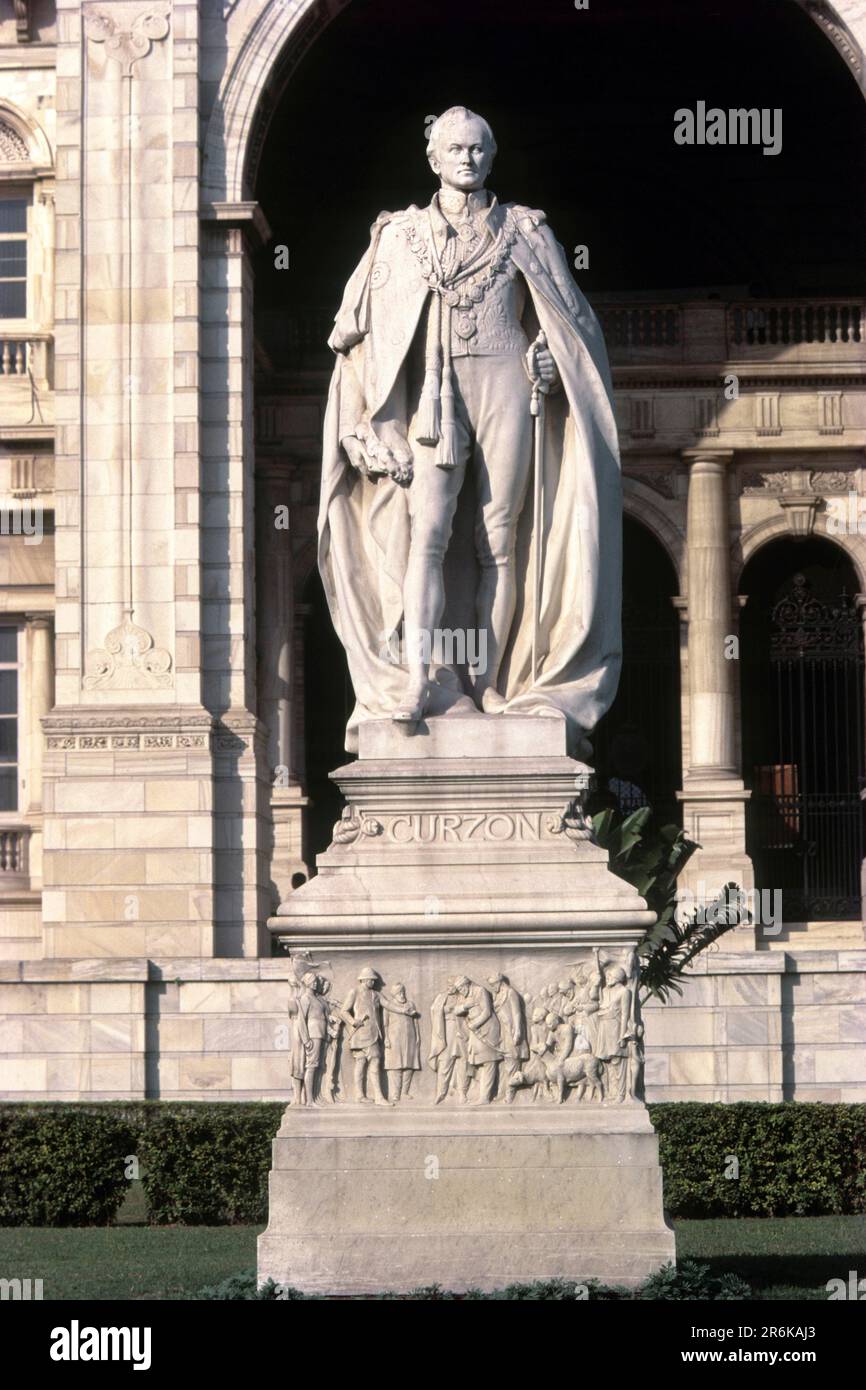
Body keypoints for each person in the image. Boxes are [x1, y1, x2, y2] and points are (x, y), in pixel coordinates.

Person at [319, 104, 621, 751]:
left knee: (498, 541)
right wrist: (364, 424)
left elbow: (571, 320)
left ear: (492, 156)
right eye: (455, 149)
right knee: (427, 533)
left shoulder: (526, 230)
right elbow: (357, 335)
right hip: (435, 398)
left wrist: (550, 352)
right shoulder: (399, 236)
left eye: (479, 149)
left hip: (507, 382)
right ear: (433, 158)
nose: (468, 159)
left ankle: (490, 683)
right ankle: (422, 676)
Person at [383, 981, 421, 1101]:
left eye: (403, 991)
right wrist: (386, 1039)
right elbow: (385, 1024)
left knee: (409, 1065)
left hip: (409, 1037)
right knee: (396, 1065)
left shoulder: (410, 1004)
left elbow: (415, 1021)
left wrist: (418, 1035)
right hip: (394, 1038)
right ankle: (395, 1093)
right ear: (394, 994)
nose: (402, 994)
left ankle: (405, 1092)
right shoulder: (389, 1006)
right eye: (399, 992)